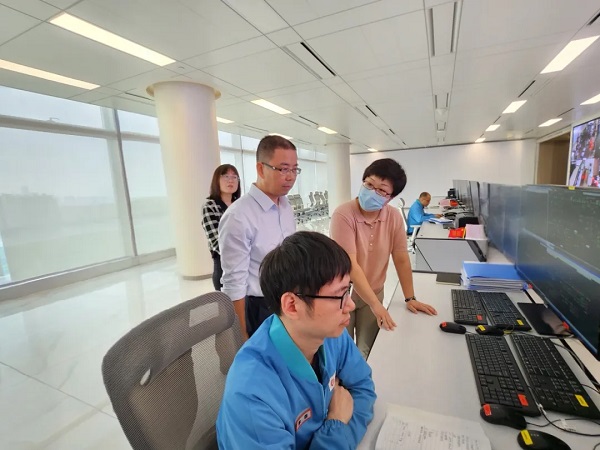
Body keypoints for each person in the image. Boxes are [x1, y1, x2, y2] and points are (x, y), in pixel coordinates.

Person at [217, 231, 376, 449]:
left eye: (348, 290)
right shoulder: (251, 394)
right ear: (292, 305)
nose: (350, 305)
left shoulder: (329, 334)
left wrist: (340, 438)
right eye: (339, 295)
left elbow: (364, 388)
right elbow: (351, 404)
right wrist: (337, 423)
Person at [330, 159, 437, 358]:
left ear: (390, 197)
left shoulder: (393, 217)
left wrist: (410, 298)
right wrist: (376, 305)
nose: (372, 191)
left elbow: (401, 258)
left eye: (381, 190)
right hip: (341, 295)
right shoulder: (343, 215)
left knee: (367, 349)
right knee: (341, 352)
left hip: (374, 291)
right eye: (369, 184)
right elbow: (350, 265)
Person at [219, 135, 298, 339]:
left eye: (294, 169)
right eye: (283, 169)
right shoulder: (239, 216)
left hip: (287, 300)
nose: (290, 177)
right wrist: (241, 335)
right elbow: (234, 283)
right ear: (261, 169)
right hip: (258, 307)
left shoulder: (286, 206)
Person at [201, 164, 241, 291]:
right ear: (216, 180)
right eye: (226, 176)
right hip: (224, 266)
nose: (231, 180)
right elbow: (216, 242)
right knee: (227, 302)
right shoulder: (210, 206)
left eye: (234, 177)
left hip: (245, 265)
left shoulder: (241, 204)